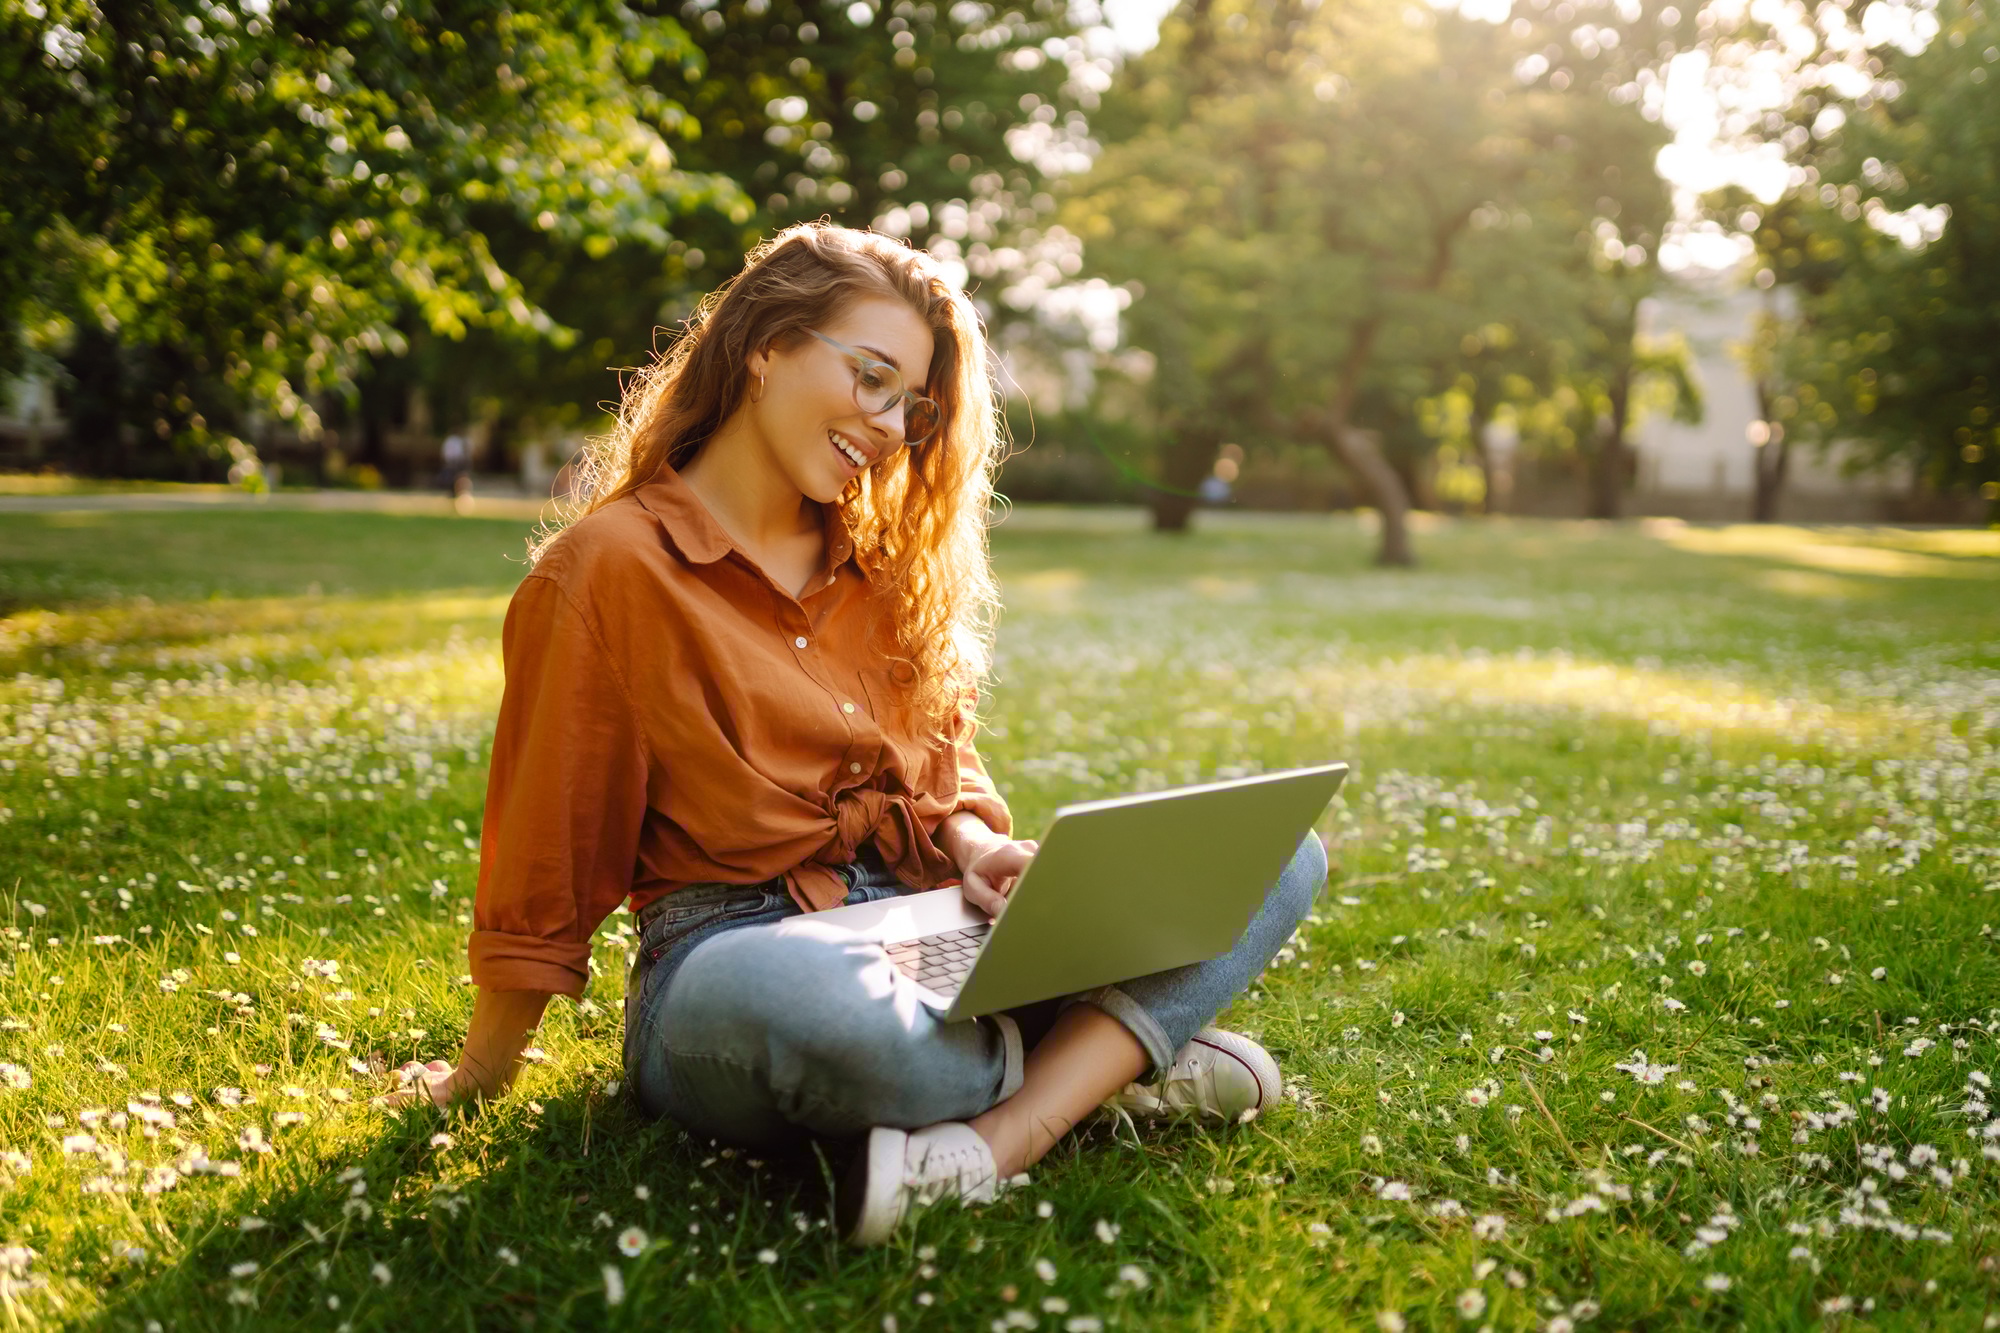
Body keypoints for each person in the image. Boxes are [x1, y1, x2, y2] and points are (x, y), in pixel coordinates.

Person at [387, 223, 1327, 1244]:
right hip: (735, 963)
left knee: (1284, 850)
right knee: (833, 1017)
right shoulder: (605, 569)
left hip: (934, 930)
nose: (886, 425)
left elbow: (941, 771)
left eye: (910, 405)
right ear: (763, 346)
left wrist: (977, 847)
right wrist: (480, 1072)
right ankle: (1113, 1056)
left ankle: (999, 1137)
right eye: (870, 378)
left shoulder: (883, 568)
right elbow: (549, 848)